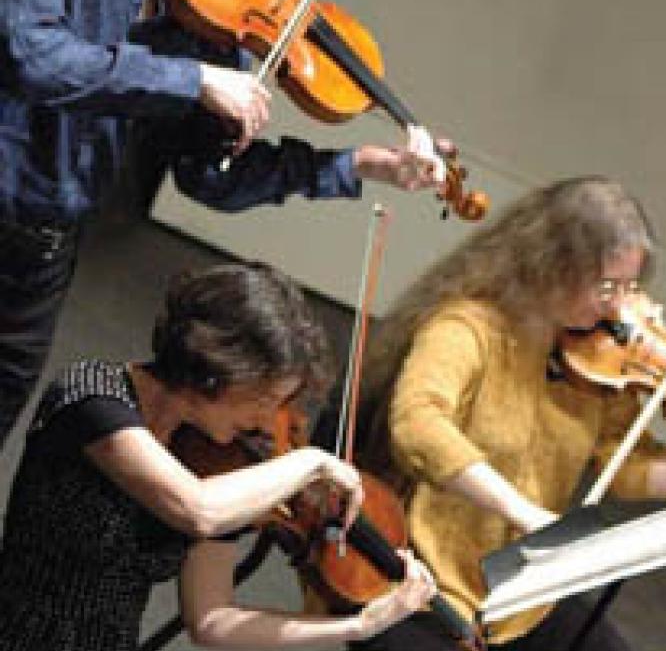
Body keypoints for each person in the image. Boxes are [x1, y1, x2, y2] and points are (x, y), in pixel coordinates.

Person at [0, 0, 453, 447]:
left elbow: (210, 176)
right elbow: (33, 56)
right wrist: (192, 80)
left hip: (45, 249)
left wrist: (360, 165)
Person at [348, 176, 666, 650]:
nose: (620, 306)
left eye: (630, 287)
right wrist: (523, 513)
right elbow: (420, 424)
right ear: (552, 267)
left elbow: (631, 469)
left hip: (522, 597)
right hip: (428, 584)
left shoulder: (599, 365)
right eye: (606, 287)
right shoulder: (467, 329)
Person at [0, 262, 437, 650]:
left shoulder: (214, 460)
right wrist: (311, 462)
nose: (270, 420)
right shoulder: (92, 396)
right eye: (265, 398)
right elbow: (197, 509)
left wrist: (357, 627)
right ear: (219, 371)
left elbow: (212, 623)